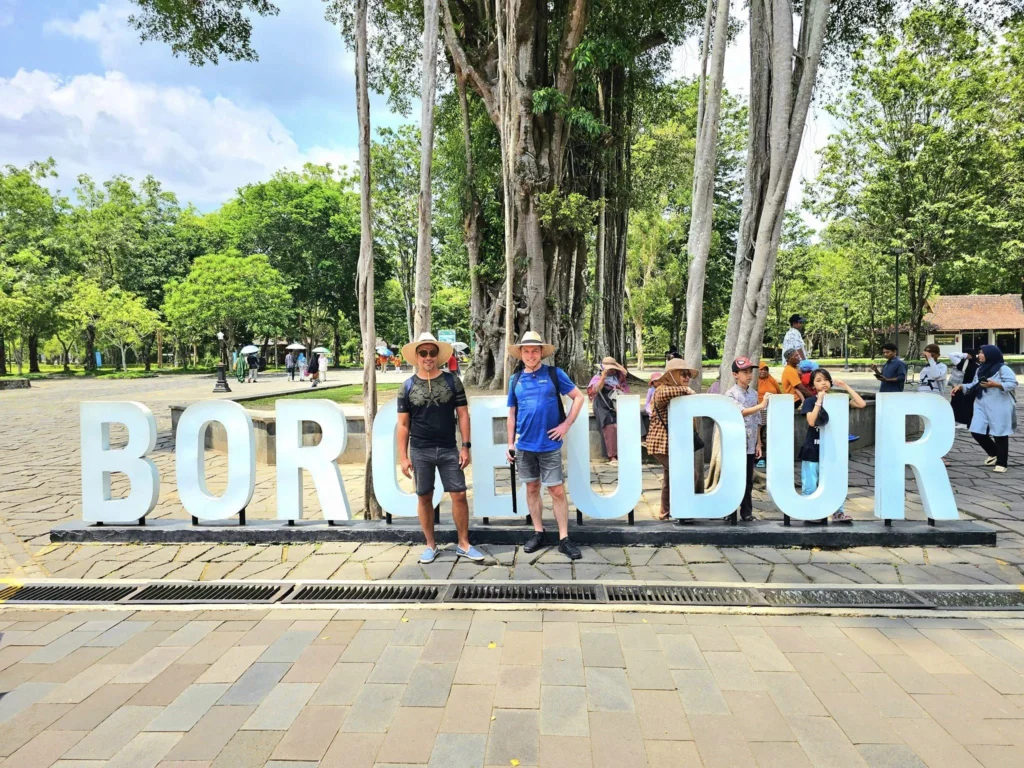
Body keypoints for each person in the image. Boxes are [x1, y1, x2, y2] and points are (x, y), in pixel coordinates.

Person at [397, 333, 483, 564]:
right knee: (424, 496)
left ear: (438, 355)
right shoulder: (406, 387)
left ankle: (463, 543)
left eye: (432, 352)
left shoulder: (452, 381)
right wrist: (403, 457)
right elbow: (403, 425)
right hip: (420, 449)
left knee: (459, 494)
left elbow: (463, 414)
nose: (428, 357)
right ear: (416, 356)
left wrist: (465, 446)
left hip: (448, 448)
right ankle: (430, 545)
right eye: (423, 353)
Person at [506, 331, 587, 560]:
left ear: (541, 352)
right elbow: (511, 414)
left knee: (557, 490)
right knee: (532, 488)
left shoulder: (554, 374)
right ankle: (538, 531)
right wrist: (510, 443)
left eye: (535, 350)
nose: (530, 355)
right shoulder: (515, 380)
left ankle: (563, 538)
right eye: (526, 351)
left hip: (549, 445)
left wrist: (566, 425)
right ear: (520, 354)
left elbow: (578, 397)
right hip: (525, 446)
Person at [800, 369, 867, 524]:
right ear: (812, 385)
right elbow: (811, 421)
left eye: (825, 379)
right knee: (810, 484)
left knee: (835, 482)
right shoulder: (810, 401)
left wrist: (846, 386)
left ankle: (838, 512)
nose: (823, 383)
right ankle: (811, 512)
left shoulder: (838, 400)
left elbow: (861, 404)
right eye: (818, 380)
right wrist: (819, 401)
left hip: (832, 449)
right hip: (813, 448)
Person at [646, 359, 699, 522]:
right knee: (689, 474)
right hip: (660, 444)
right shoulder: (662, 390)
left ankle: (664, 512)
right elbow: (665, 394)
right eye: (683, 374)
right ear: (672, 375)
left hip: (671, 444)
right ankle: (684, 510)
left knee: (669, 478)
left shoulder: (677, 391)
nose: (687, 377)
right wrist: (687, 390)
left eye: (688, 374)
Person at [952, 344, 1017, 473]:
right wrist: (961, 386)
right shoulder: (980, 369)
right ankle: (994, 452)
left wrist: (996, 384)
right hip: (981, 403)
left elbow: (1012, 383)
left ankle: (1001, 463)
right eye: (979, 352)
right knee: (976, 430)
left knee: (1000, 433)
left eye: (982, 353)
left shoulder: (1003, 369)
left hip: (999, 404)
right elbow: (974, 384)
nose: (979, 355)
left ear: (990, 355)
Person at [725, 357, 771, 521]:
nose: (749, 375)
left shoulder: (752, 393)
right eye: (745, 372)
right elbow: (740, 412)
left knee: (748, 479)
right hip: (735, 443)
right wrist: (761, 406)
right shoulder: (730, 394)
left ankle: (747, 512)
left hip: (750, 444)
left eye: (750, 371)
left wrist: (759, 443)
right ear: (735, 374)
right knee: (733, 477)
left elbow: (757, 420)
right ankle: (729, 511)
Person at [588, 357, 629, 464]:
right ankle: (612, 455)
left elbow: (624, 373)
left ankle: (623, 452)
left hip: (615, 403)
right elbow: (595, 390)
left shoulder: (617, 377)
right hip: (602, 404)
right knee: (609, 426)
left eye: (613, 368)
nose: (612, 370)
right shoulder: (597, 377)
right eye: (610, 368)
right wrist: (603, 376)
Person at [756, 361, 782, 469]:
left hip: (771, 410)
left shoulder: (772, 380)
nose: (763, 371)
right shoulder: (754, 382)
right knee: (759, 435)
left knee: (768, 435)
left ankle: (768, 457)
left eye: (765, 369)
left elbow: (779, 393)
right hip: (758, 410)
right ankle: (759, 458)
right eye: (761, 369)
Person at [949, 350, 979, 428]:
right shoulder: (978, 366)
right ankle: (968, 422)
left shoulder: (961, 363)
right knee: (969, 404)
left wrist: (964, 355)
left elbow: (951, 354)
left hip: (959, 386)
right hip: (970, 388)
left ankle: (960, 421)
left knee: (957, 403)